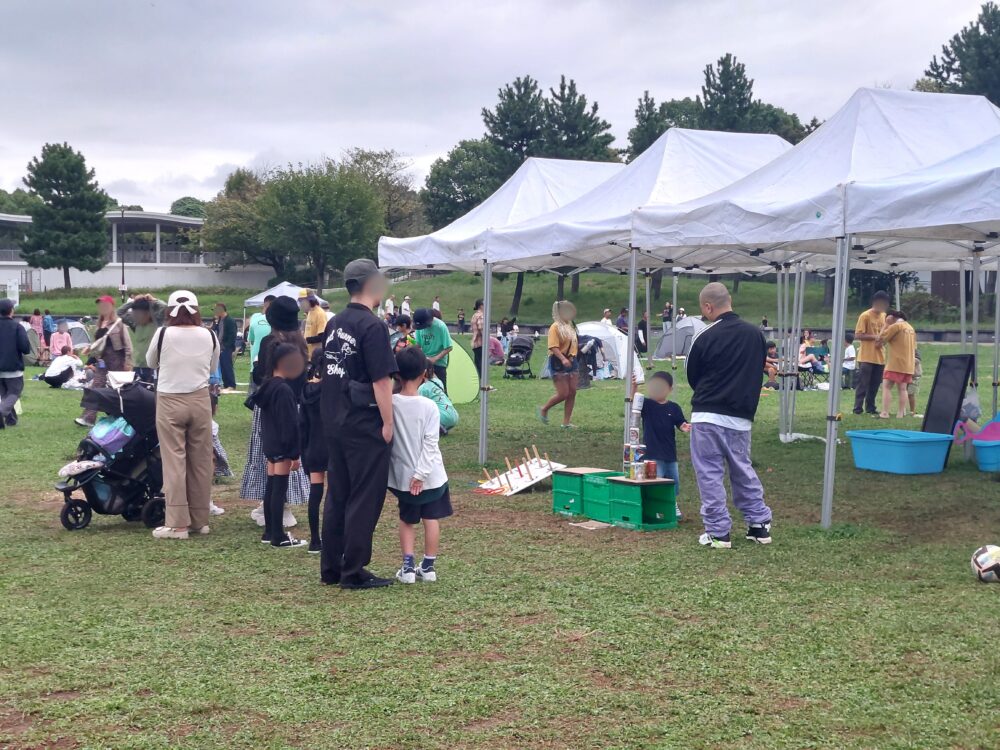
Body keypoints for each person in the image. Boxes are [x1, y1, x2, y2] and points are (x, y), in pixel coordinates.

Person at [321, 258, 399, 590]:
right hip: (363, 420)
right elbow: (382, 381)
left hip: (334, 418)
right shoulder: (373, 327)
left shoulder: (334, 322)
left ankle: (331, 567)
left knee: (338, 493)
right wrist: (388, 423)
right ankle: (353, 570)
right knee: (365, 496)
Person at [686, 282, 772, 549]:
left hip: (708, 414)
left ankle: (718, 532)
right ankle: (758, 524)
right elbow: (758, 368)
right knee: (742, 469)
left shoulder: (705, 335)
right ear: (730, 300)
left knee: (709, 473)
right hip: (741, 416)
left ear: (708, 307)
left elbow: (693, 375)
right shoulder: (756, 335)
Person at [146, 291, 220, 540]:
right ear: (197, 310)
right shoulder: (209, 334)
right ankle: (200, 520)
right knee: (200, 461)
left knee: (174, 461)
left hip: (169, 399)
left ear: (169, 310)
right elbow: (211, 367)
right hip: (200, 400)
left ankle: (177, 523)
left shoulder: (163, 333)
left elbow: (150, 362)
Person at [243, 296, 312, 527]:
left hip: (271, 407)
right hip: (295, 407)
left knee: (269, 458)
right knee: (290, 456)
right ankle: (282, 507)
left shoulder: (270, 343)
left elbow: (261, 375)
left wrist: (255, 368)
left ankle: (272, 508)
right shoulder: (300, 344)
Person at [389, 346, 452, 584]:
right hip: (432, 477)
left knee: (407, 519)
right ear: (424, 374)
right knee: (431, 518)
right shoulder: (429, 407)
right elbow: (431, 444)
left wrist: (414, 476)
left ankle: (407, 568)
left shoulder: (391, 403)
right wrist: (422, 474)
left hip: (404, 478)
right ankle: (428, 567)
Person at [249, 342, 308, 548]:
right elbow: (289, 423)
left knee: (272, 487)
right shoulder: (283, 390)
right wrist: (294, 453)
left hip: (271, 443)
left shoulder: (267, 385)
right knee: (278, 489)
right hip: (282, 446)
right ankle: (278, 536)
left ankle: (269, 532)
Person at [632, 371, 690, 517]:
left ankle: (672, 504)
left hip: (670, 453)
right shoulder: (647, 405)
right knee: (655, 482)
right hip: (652, 453)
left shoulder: (674, 407)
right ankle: (656, 507)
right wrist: (634, 387)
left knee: (672, 482)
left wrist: (685, 427)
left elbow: (681, 423)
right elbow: (634, 401)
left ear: (670, 389)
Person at [77, 296, 132, 428]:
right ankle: (88, 418)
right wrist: (90, 349)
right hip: (102, 361)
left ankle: (122, 417)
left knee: (117, 390)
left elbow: (128, 344)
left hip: (117, 360)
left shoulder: (119, 323)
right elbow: (98, 342)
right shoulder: (99, 323)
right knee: (95, 388)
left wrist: (128, 362)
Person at [300, 349, 327, 553]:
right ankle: (333, 535)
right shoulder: (333, 390)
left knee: (315, 494)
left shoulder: (306, 391)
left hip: (313, 447)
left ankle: (314, 540)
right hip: (332, 447)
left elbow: (303, 425)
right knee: (335, 494)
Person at [538, 300, 579, 429]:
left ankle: (566, 423)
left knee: (572, 392)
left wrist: (572, 357)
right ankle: (544, 409)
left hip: (572, 360)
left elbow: (574, 343)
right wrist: (563, 359)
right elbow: (553, 346)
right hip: (558, 361)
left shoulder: (570, 326)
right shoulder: (555, 327)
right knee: (563, 393)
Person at [853, 290, 890, 415]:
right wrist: (875, 337)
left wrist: (883, 340)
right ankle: (857, 408)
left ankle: (871, 407)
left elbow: (886, 334)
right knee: (863, 383)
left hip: (880, 356)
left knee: (875, 385)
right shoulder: (865, 316)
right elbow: (858, 335)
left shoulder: (884, 316)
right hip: (866, 357)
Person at [119, 294, 166, 384]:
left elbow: (164, 307)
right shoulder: (135, 325)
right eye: (134, 313)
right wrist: (134, 301)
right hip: (138, 365)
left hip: (153, 366)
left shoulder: (156, 322)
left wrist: (153, 300)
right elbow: (119, 312)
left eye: (139, 313)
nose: (135, 316)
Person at [878, 309, 916, 419]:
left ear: (891, 317)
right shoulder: (910, 327)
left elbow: (880, 338)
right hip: (908, 364)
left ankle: (885, 412)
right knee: (902, 389)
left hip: (895, 363)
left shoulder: (895, 326)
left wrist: (886, 324)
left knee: (886, 387)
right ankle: (900, 414)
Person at [0, 298, 30, 429]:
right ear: (11, 311)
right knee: (14, 392)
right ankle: (1, 412)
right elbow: (25, 348)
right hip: (13, 367)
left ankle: (11, 420)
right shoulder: (17, 327)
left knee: (5, 394)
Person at [412, 308, 453, 391]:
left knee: (440, 389)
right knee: (422, 389)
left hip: (439, 363)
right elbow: (418, 344)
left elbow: (449, 347)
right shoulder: (420, 327)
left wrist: (435, 358)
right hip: (424, 362)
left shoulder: (440, 326)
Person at [245, 295, 275, 392]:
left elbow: (251, 340)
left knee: (254, 397)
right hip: (274, 365)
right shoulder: (279, 321)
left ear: (264, 305)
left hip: (256, 363)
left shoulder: (255, 319)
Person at [419, 361, 459, 434]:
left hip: (443, 417)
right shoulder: (438, 381)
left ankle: (438, 427)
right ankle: (442, 426)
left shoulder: (423, 388)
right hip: (454, 415)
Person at [212, 302, 238, 390]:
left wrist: (227, 346)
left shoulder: (230, 320)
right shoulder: (219, 320)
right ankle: (226, 384)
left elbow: (232, 335)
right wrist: (215, 322)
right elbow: (214, 329)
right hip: (220, 346)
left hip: (226, 347)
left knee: (227, 365)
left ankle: (231, 384)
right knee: (222, 366)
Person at [300, 290, 328, 358]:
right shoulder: (309, 312)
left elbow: (322, 337)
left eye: (302, 301)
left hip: (316, 355)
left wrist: (306, 340)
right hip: (308, 354)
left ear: (310, 300)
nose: (301, 304)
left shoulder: (319, 313)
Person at [470, 299, 485, 375]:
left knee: (477, 362)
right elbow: (481, 328)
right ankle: (482, 380)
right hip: (481, 342)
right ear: (481, 306)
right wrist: (487, 339)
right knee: (481, 364)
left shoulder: (474, 315)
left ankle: (478, 378)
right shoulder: (481, 315)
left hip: (475, 342)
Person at [908, 349, 923, 418]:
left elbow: (918, 360)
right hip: (904, 374)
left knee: (911, 394)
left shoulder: (914, 349)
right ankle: (902, 411)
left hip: (914, 376)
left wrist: (907, 359)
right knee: (903, 393)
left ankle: (912, 411)